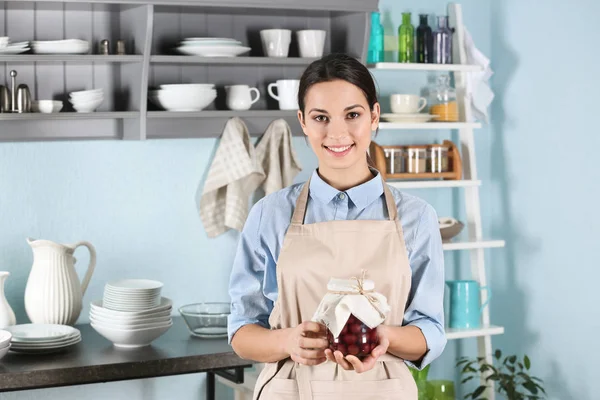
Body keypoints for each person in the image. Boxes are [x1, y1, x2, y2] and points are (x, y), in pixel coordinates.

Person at [227, 53, 446, 399]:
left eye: (353, 115)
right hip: (292, 390)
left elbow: (430, 330)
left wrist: (384, 337)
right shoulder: (268, 215)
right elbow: (241, 331)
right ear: (302, 121)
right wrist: (288, 341)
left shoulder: (417, 218)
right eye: (320, 118)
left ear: (374, 116)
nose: (337, 133)